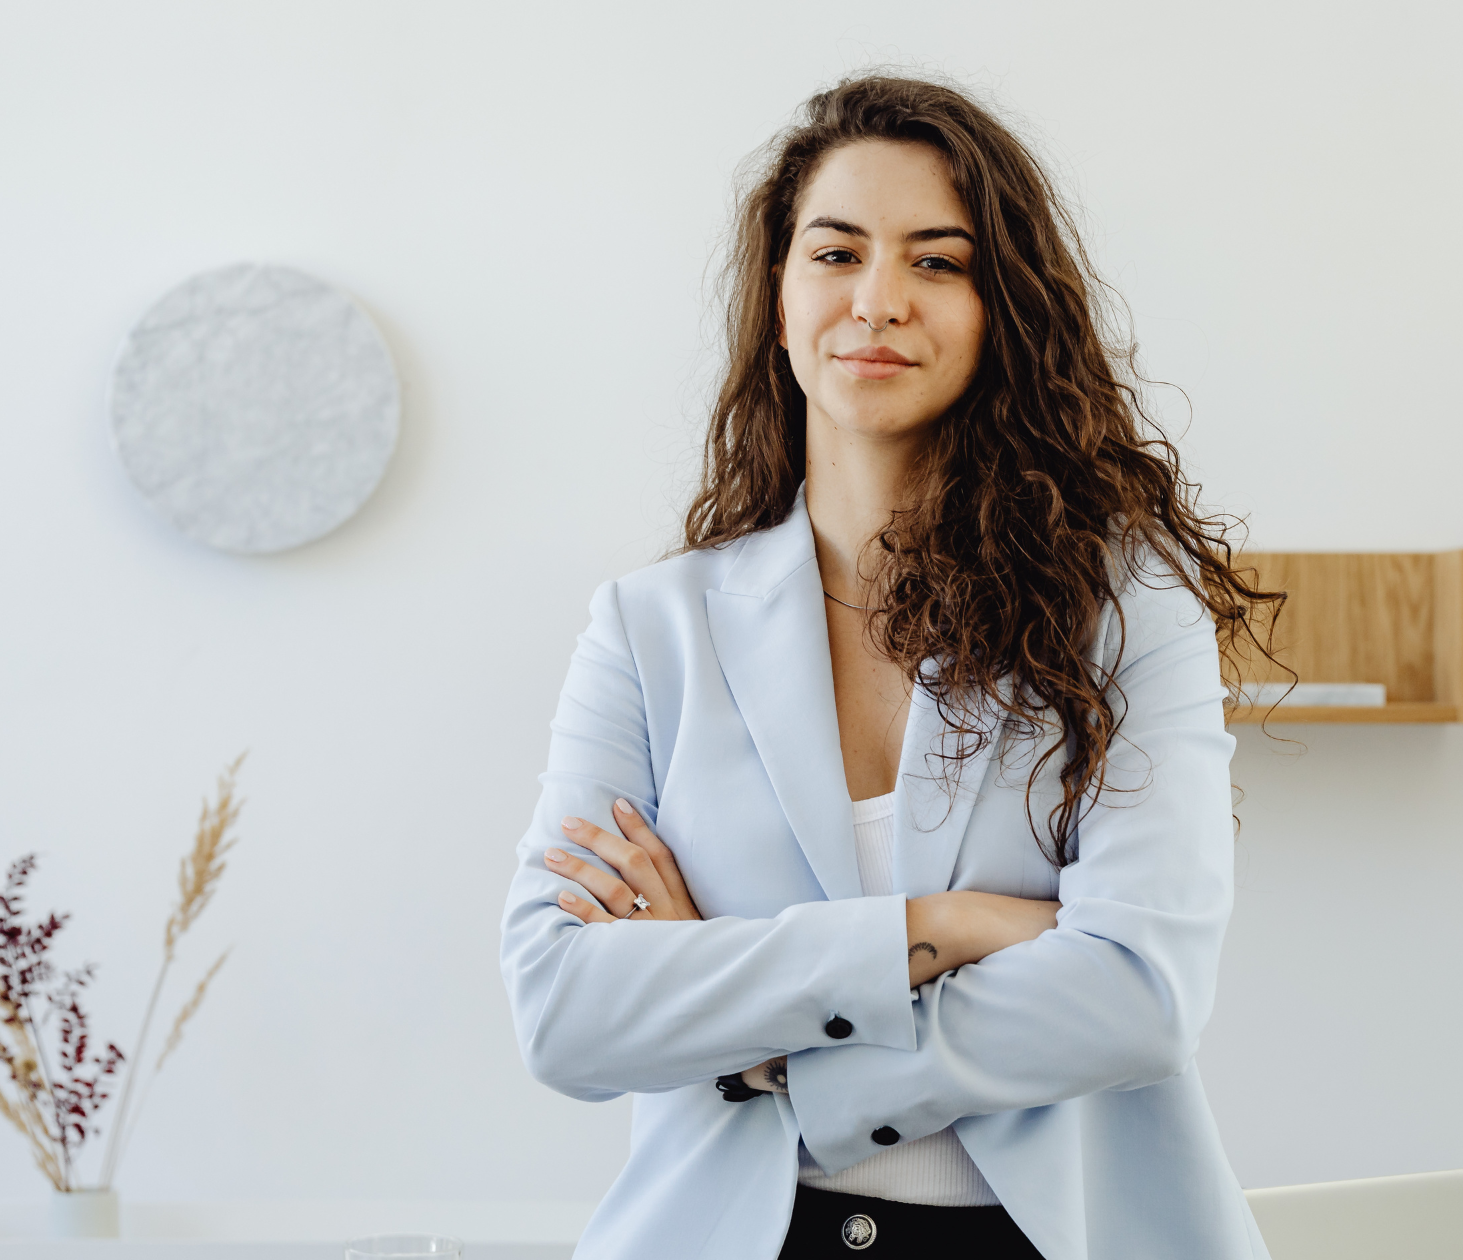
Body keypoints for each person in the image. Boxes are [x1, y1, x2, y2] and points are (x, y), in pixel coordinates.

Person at [499, 74, 1280, 1260]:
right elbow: (564, 1010)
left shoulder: (1120, 611)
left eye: (936, 261)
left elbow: (1137, 994)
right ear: (777, 299)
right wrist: (954, 921)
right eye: (835, 254)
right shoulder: (650, 629)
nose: (877, 301)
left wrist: (763, 1047)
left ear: (998, 309)